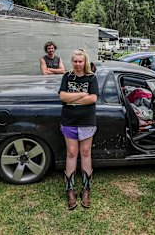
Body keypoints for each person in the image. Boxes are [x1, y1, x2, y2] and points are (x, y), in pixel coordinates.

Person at [59, 49, 98, 210]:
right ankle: (70, 190)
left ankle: (86, 189)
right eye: (75, 61)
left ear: (85, 62)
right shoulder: (67, 76)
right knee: (72, 153)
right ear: (72, 61)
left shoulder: (92, 77)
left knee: (86, 152)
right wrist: (82, 94)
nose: (78, 64)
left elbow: (93, 98)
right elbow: (62, 97)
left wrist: (72, 98)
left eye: (80, 61)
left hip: (87, 121)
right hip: (69, 121)